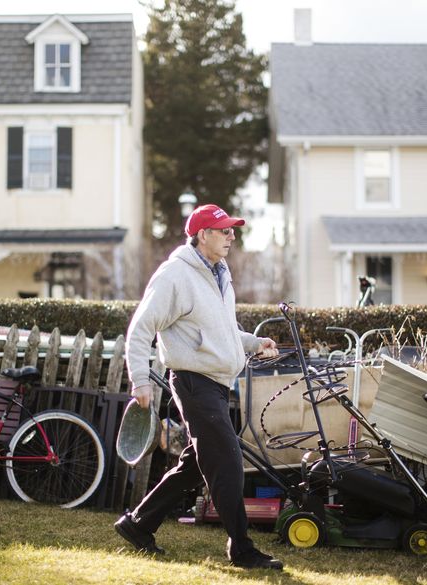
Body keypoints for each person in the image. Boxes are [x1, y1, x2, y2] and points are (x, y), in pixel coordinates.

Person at [114, 203, 284, 571]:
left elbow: (222, 331)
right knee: (227, 460)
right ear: (202, 234)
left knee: (197, 463)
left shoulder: (220, 274)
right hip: (194, 383)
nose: (231, 236)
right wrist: (139, 379)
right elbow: (140, 328)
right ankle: (242, 549)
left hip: (217, 384)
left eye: (232, 230)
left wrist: (254, 343)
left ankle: (139, 524)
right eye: (224, 231)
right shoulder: (175, 275)